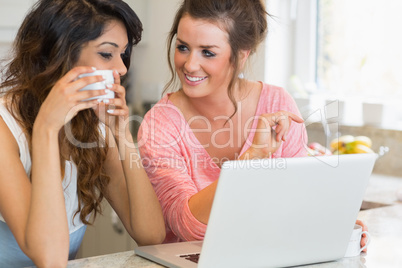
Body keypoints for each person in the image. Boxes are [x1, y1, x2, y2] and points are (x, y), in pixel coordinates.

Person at [138, 0, 368, 251]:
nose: (190, 65)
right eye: (183, 47)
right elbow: (187, 225)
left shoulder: (277, 104)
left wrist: (328, 223)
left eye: (207, 52)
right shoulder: (159, 124)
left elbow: (294, 201)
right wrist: (248, 162)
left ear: (241, 55)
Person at [0, 0, 165, 267]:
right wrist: (46, 128)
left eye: (122, 54)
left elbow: (151, 235)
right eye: (106, 54)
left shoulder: (90, 124)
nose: (122, 69)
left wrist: (121, 132)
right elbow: (50, 258)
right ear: (59, 54)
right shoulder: (4, 128)